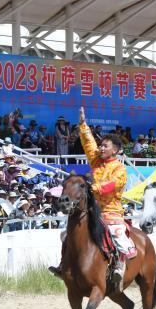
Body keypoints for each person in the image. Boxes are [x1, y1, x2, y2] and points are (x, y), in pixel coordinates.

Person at [49, 108, 133, 293]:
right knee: (66, 235)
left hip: (111, 211)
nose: (101, 148)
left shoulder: (120, 169)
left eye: (105, 146)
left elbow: (113, 185)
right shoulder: (96, 160)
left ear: (115, 150)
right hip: (93, 210)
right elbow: (88, 143)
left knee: (118, 234)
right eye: (101, 145)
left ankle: (119, 267)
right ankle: (63, 265)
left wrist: (91, 188)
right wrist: (83, 124)